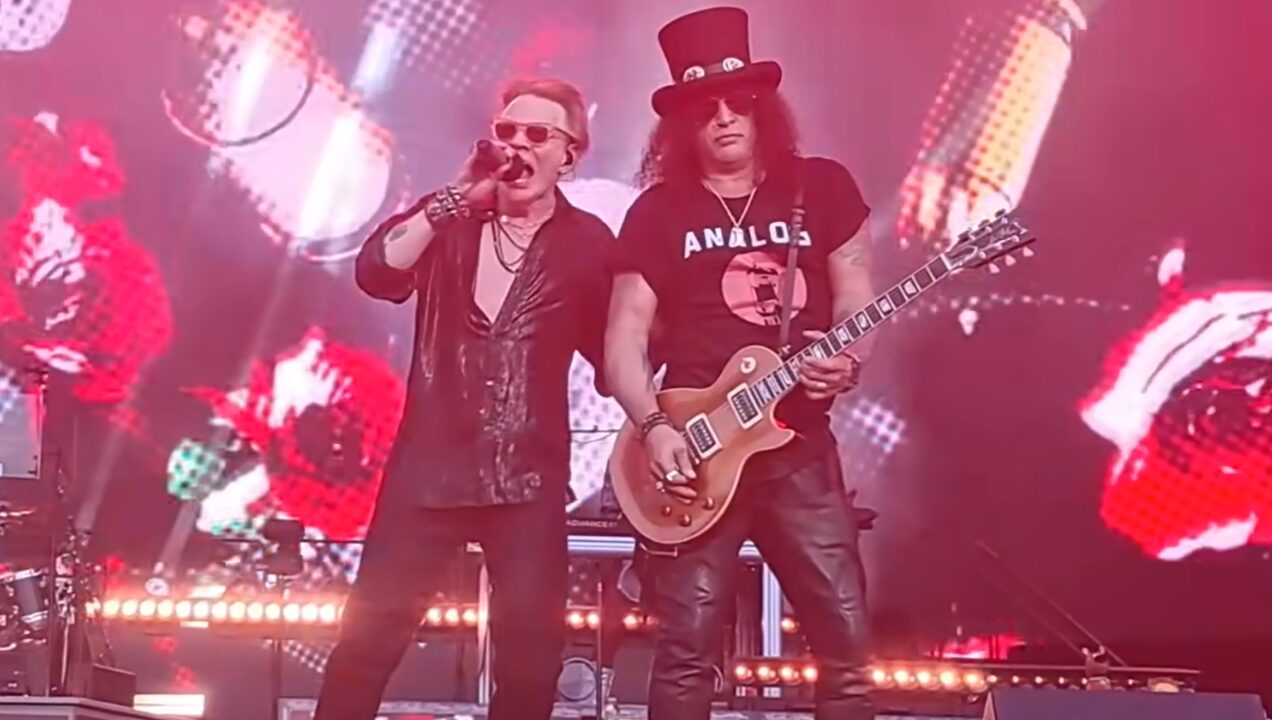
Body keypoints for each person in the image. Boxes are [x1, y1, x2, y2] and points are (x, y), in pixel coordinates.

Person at [605, 7, 877, 720]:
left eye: (739, 103)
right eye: (705, 109)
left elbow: (857, 297)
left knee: (847, 651)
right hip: (697, 450)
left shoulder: (821, 188)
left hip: (798, 447)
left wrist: (845, 359)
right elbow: (623, 340)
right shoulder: (658, 212)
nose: (724, 118)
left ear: (763, 110)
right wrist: (654, 427)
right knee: (685, 654)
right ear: (681, 126)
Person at [314, 77, 614, 720]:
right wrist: (452, 198)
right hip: (429, 470)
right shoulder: (450, 219)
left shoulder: (587, 243)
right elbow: (376, 272)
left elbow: (616, 353)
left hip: (527, 478)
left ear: (569, 154)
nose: (518, 144)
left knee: (531, 663)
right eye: (508, 131)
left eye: (538, 134)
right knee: (367, 643)